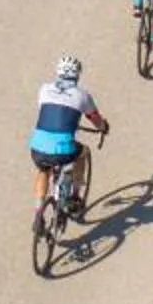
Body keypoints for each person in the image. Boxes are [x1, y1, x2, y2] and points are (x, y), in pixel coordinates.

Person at [29, 57, 110, 213]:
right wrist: (103, 128)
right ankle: (75, 195)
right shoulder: (82, 96)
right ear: (77, 74)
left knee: (44, 169)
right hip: (63, 149)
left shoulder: (44, 89)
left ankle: (39, 212)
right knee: (83, 152)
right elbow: (95, 120)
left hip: (37, 146)